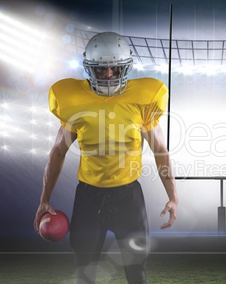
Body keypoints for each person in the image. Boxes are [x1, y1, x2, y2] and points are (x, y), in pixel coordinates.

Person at [33, 32, 178, 284]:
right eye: (101, 70)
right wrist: (44, 199)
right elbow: (58, 151)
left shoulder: (143, 100)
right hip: (89, 198)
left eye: (115, 68)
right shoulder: (74, 101)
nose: (109, 75)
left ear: (126, 67)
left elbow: (160, 151)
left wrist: (173, 196)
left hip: (128, 197)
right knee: (85, 273)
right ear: (89, 69)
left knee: (137, 273)